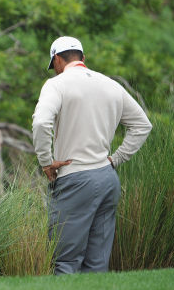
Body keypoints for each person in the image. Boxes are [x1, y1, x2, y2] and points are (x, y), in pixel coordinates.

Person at [32, 36, 152, 275]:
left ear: (57, 60)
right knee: (97, 265)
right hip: (107, 180)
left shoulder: (57, 84)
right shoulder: (110, 84)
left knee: (65, 263)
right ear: (82, 58)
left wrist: (46, 162)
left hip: (74, 180)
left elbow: (41, 123)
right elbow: (142, 125)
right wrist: (116, 159)